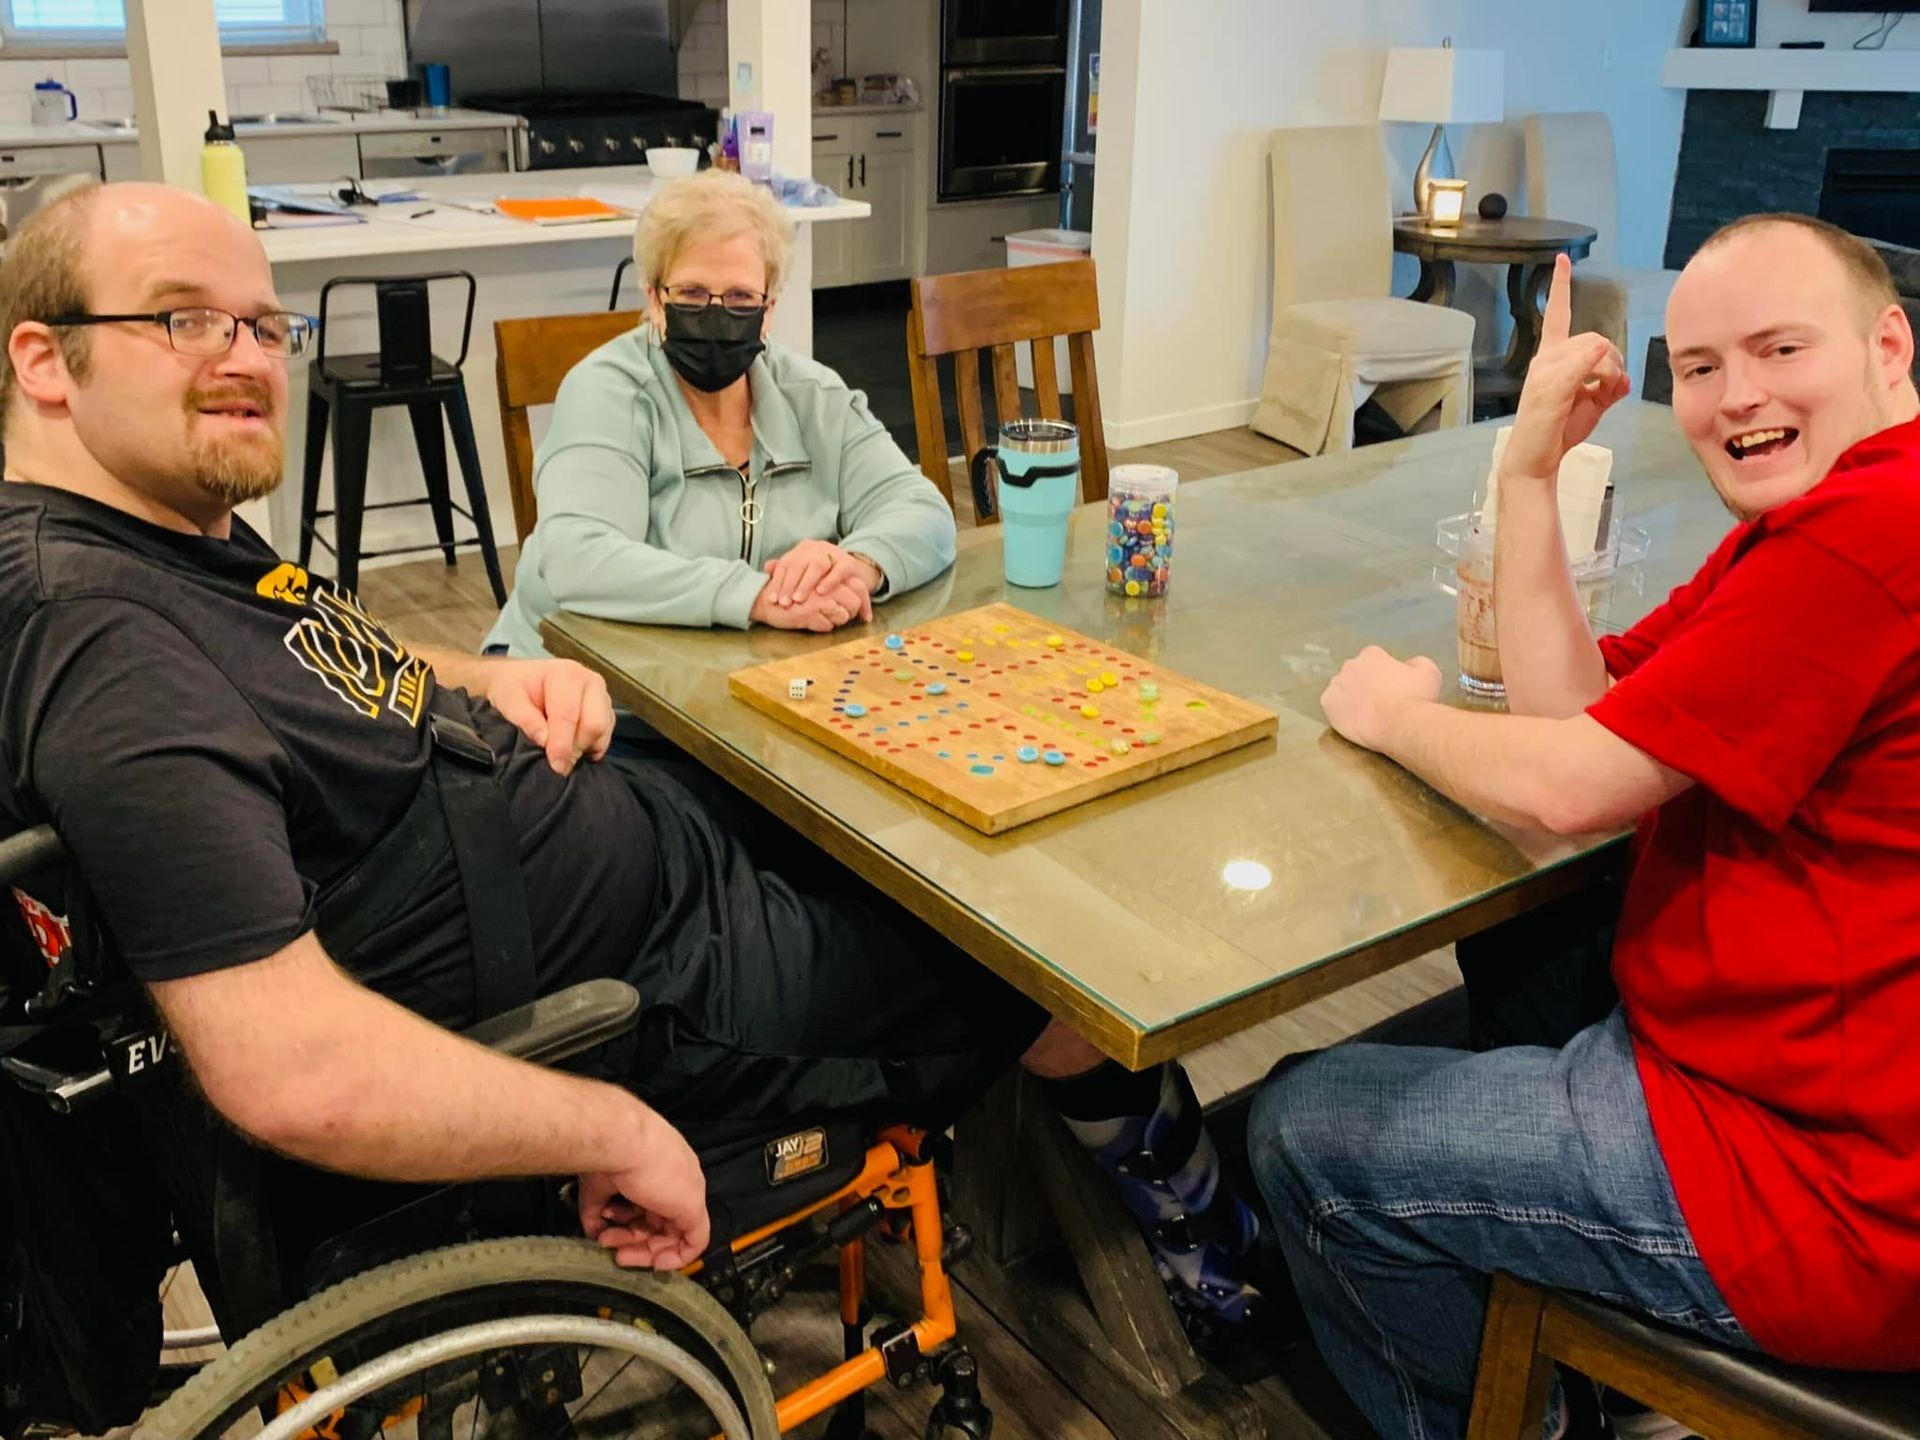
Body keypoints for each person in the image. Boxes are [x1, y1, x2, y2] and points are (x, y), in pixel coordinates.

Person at [0, 183, 1266, 1426]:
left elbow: (315, 656)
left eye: (266, 326)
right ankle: (1209, 1235)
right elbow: (288, 1067)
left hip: (615, 829)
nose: (246, 359)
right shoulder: (100, 639)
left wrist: (482, 671)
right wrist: (611, 1126)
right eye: (184, 320)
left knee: (905, 838)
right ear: (45, 361)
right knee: (1021, 946)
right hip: (646, 990)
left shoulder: (155, 534)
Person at [1249, 212, 1920, 1439]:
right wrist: (1526, 468)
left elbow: (1566, 787)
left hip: (1825, 1191)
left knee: (1304, 1129)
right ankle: (1580, 1350)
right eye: (1704, 367)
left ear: (1889, 346)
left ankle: (1532, 1413)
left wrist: (1395, 716)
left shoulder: (1872, 534)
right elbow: (1579, 712)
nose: (1737, 398)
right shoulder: (1819, 525)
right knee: (1527, 941)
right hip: (1816, 1076)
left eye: (1780, 350)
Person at [487, 168, 955, 654]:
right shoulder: (606, 392)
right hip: (575, 688)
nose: (715, 313)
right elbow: (578, 560)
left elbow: (925, 512)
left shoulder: (814, 395)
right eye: (690, 293)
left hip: (733, 680)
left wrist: (856, 564)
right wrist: (756, 596)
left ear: (769, 308)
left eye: (739, 298)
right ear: (654, 298)